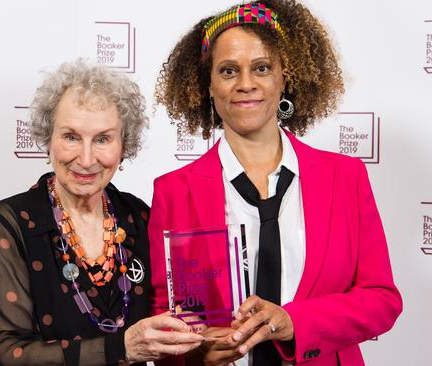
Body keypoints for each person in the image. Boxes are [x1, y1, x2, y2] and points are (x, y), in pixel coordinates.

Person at [149, 1, 403, 365]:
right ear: (207, 86)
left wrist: (294, 322)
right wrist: (193, 352)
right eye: (228, 71)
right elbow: (165, 314)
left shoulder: (345, 177)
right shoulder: (174, 191)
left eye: (262, 68)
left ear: (285, 76)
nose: (246, 84)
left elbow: (381, 299)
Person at [0, 60, 203, 366]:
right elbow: (8, 352)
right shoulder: (9, 223)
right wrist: (121, 348)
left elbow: (170, 313)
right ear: (49, 139)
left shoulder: (140, 217)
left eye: (103, 139)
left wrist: (204, 333)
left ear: (124, 146)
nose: (85, 159)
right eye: (71, 137)